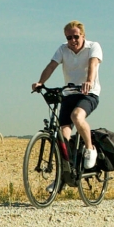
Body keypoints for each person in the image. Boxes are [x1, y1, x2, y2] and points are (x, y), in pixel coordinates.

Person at [31, 20, 102, 170]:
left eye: (76, 37)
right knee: (62, 136)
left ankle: (90, 149)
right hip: (69, 94)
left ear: (83, 35)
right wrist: (40, 82)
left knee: (77, 116)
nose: (72, 41)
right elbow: (51, 66)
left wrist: (89, 81)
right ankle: (63, 174)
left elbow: (93, 64)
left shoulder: (93, 47)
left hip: (88, 94)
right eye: (69, 38)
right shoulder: (63, 49)